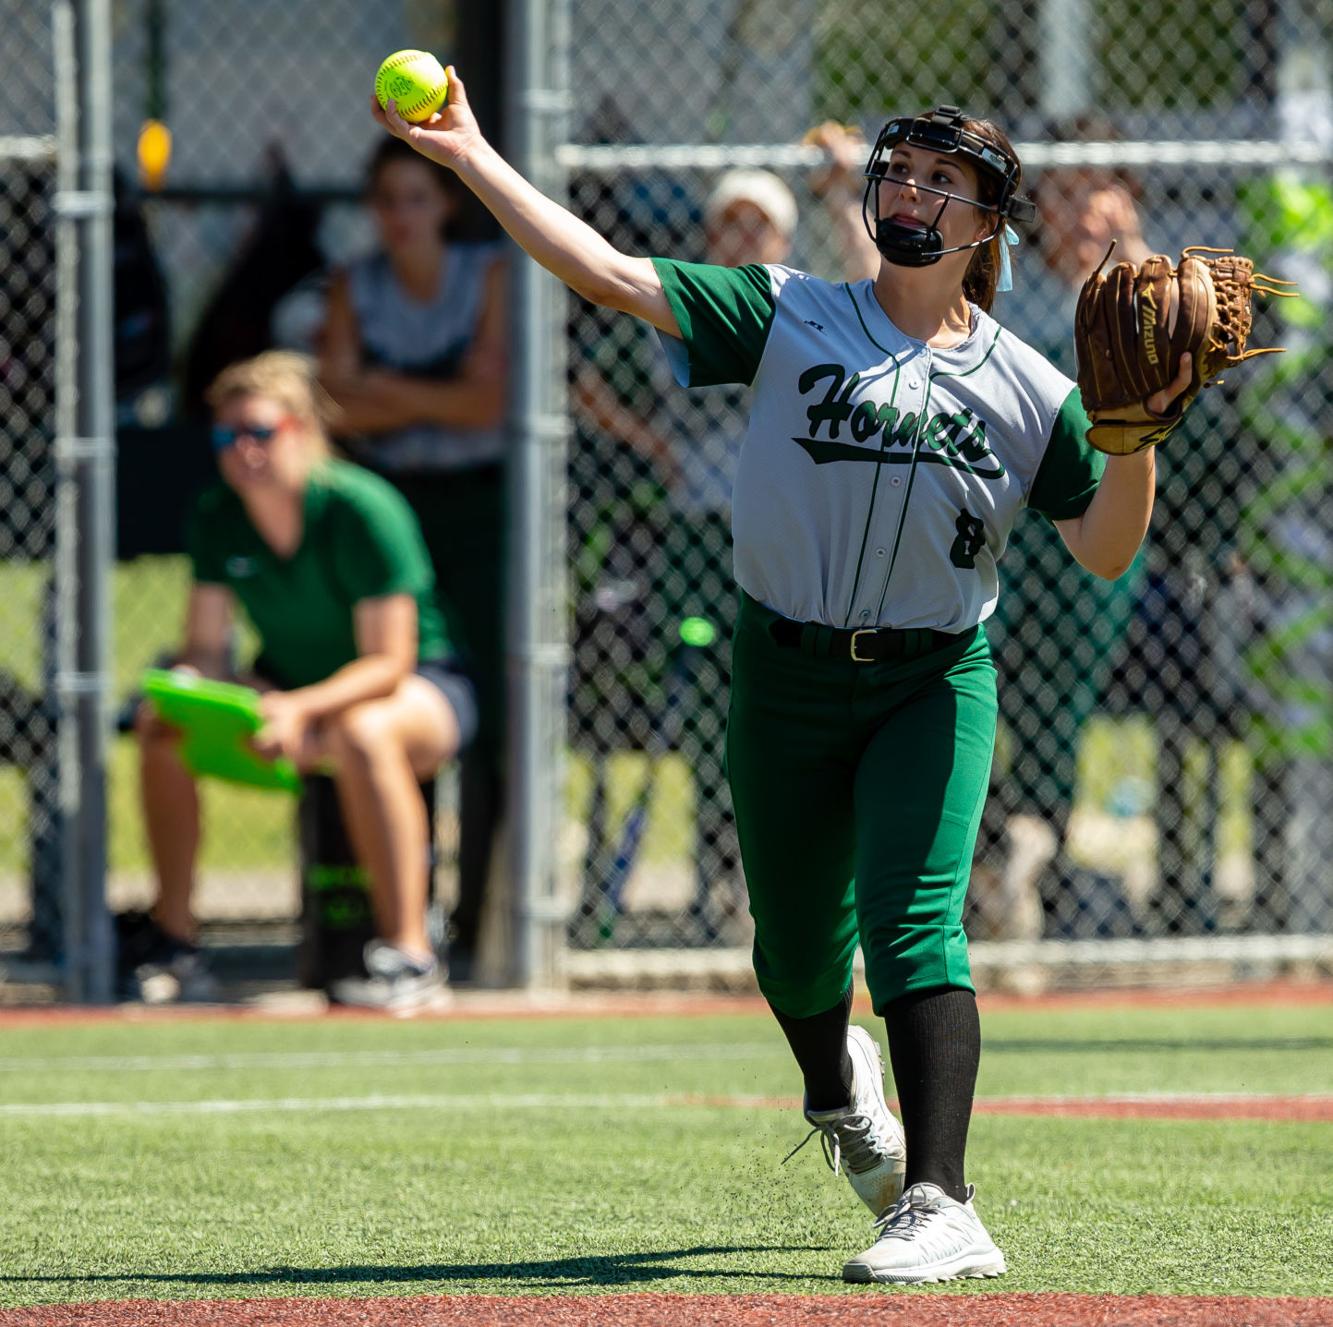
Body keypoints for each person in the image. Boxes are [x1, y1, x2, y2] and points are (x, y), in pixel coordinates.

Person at [372, 84, 1190, 1282]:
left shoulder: (1030, 386)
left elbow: (1106, 549)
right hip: (784, 673)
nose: (908, 192)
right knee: (795, 955)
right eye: (897, 172)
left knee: (915, 925)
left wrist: (1135, 441)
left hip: (931, 678)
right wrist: (472, 155)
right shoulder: (787, 311)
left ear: (986, 222)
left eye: (938, 182)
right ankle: (836, 1087)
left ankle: (941, 1201)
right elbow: (603, 271)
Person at [127, 351, 476, 1010]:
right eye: (226, 437)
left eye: (259, 432)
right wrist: (190, 680)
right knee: (161, 726)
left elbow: (389, 662)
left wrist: (294, 707)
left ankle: (411, 957)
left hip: (416, 692)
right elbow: (204, 645)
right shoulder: (217, 513)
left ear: (302, 430)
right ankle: (176, 945)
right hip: (289, 698)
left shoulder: (362, 508)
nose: (242, 452)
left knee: (362, 731)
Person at [570, 167, 800, 942]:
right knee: (711, 710)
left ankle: (791, 874)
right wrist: (656, 447)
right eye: (728, 224)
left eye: (757, 226)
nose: (742, 239)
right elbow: (585, 379)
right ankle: (723, 870)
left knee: (788, 709)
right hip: (700, 538)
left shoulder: (806, 309)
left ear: (782, 239)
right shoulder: (677, 310)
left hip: (787, 540)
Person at [318, 136, 508, 984]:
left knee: (493, 707)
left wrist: (382, 392)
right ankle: (403, 919)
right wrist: (433, 396)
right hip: (394, 503)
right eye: (387, 200)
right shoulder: (355, 285)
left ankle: (486, 915)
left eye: (417, 199)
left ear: (446, 205)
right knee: (398, 689)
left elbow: (490, 403)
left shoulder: (488, 275)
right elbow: (328, 405)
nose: (401, 216)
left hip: (483, 505)